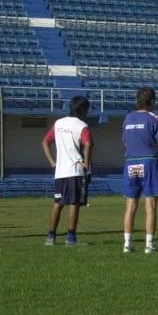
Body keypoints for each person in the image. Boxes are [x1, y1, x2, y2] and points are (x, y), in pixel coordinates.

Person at [42, 95, 93, 247]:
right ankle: (70, 238)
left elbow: (45, 142)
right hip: (75, 171)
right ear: (83, 110)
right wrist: (86, 163)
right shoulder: (82, 126)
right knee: (74, 203)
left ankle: (50, 237)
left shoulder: (58, 123)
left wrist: (52, 162)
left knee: (57, 203)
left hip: (60, 172)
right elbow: (88, 144)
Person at [121, 87, 158, 253]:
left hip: (131, 162)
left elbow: (125, 142)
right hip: (148, 162)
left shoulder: (127, 118)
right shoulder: (153, 119)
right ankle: (149, 244)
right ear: (152, 101)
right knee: (150, 205)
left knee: (131, 205)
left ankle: (127, 244)